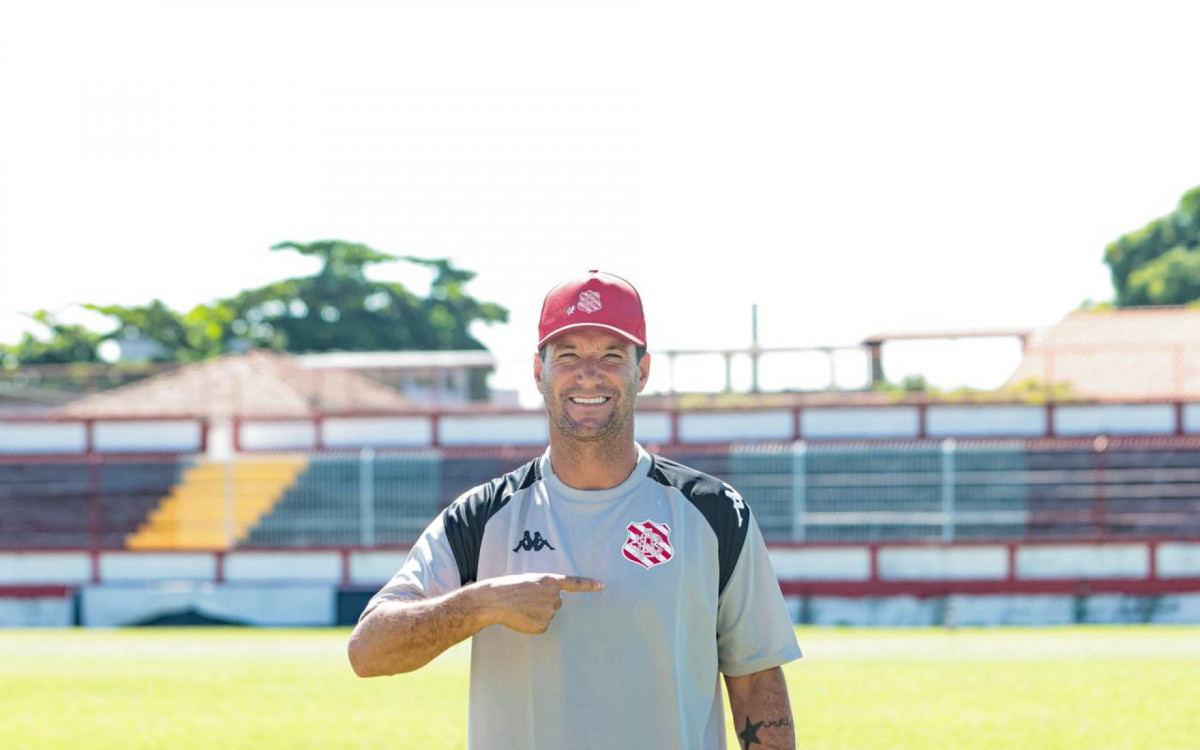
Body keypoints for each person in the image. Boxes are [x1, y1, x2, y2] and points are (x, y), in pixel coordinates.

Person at [348, 270, 801, 750]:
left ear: (641, 371)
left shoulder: (714, 512)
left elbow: (756, 682)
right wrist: (482, 604)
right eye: (567, 355)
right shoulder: (481, 518)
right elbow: (368, 651)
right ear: (538, 370)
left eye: (611, 354)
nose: (589, 372)